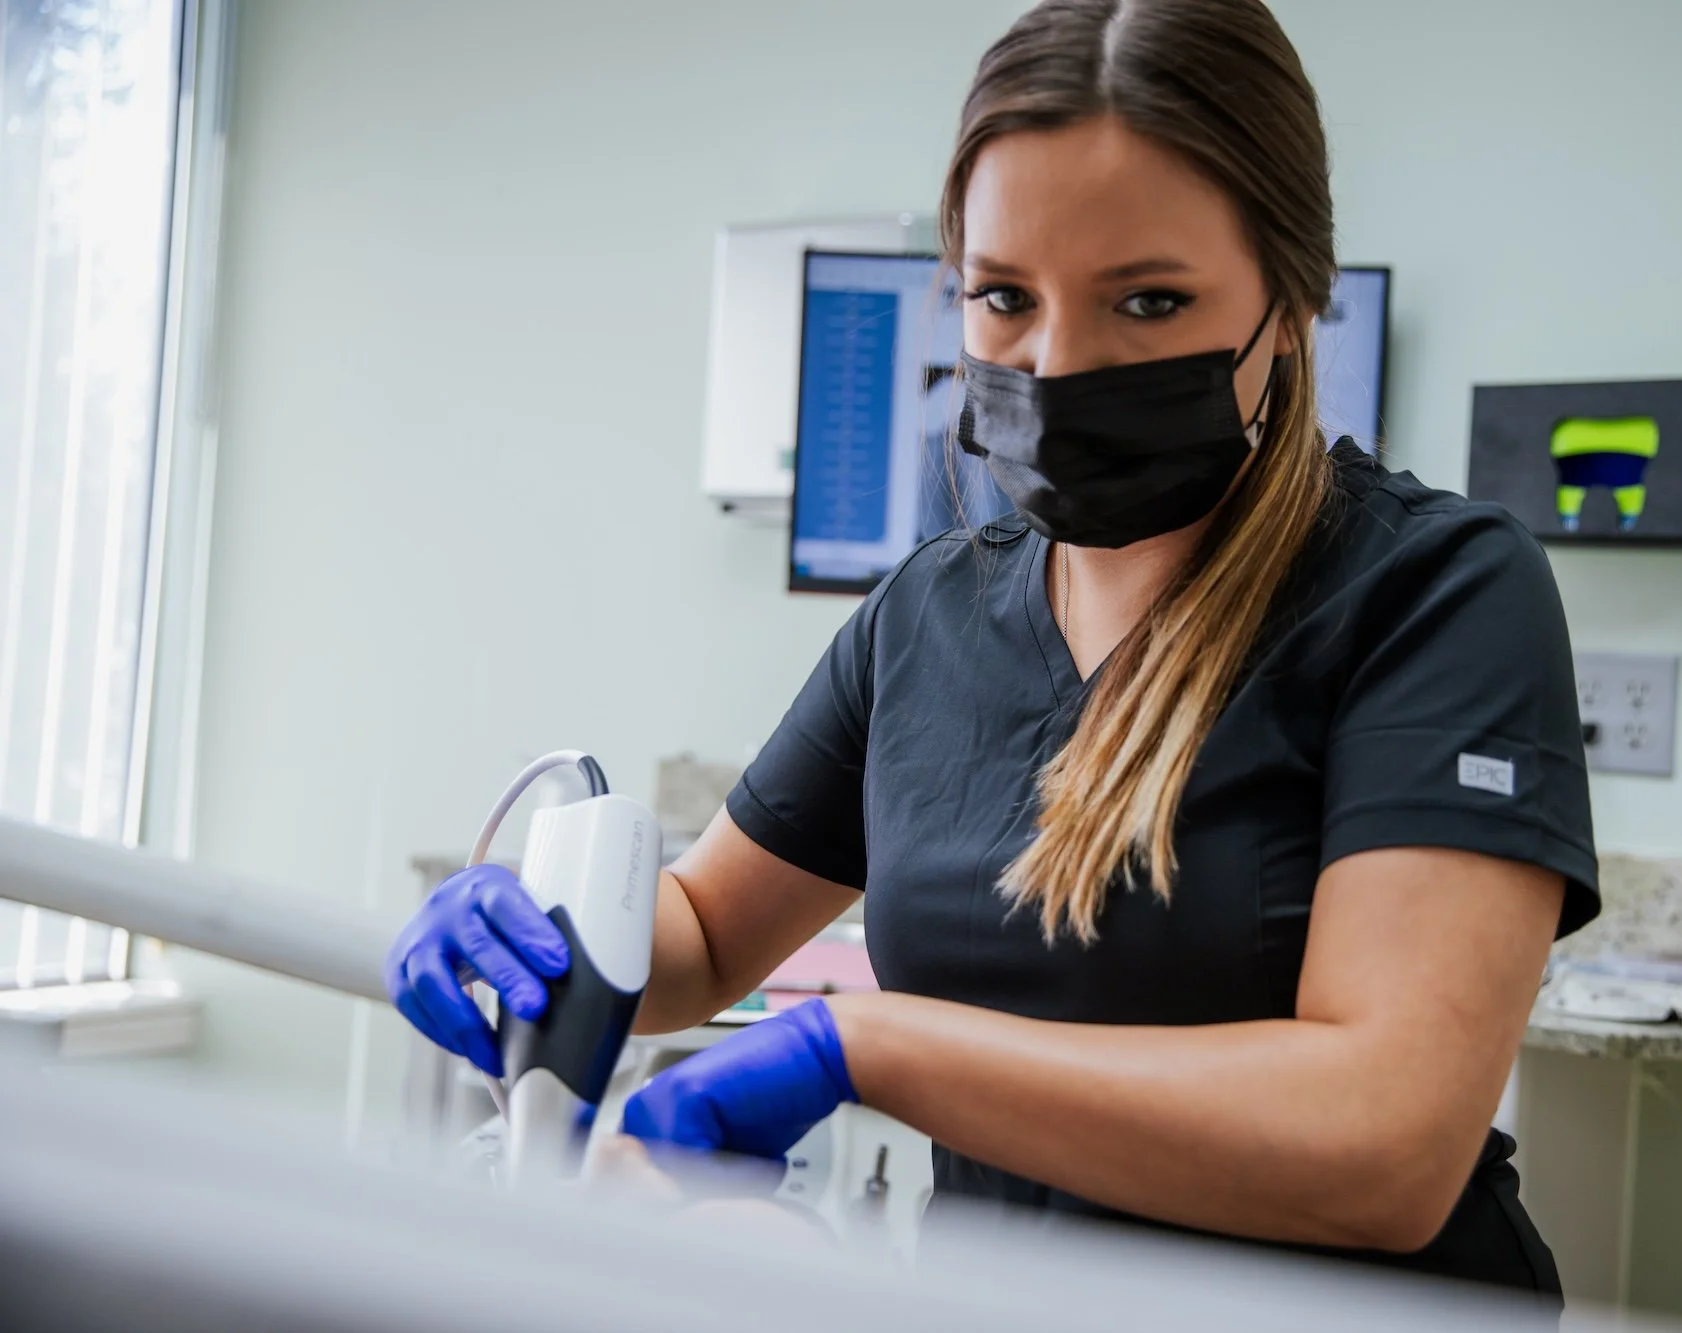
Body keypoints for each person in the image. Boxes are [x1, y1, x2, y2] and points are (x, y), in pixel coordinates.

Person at [387, 0, 1598, 1304]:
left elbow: (1386, 1148)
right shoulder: (928, 617)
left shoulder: (1432, 593)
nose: (1059, 365)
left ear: (1294, 303)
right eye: (1006, 298)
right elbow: (699, 934)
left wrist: (866, 1049)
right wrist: (540, 937)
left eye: (1149, 300)